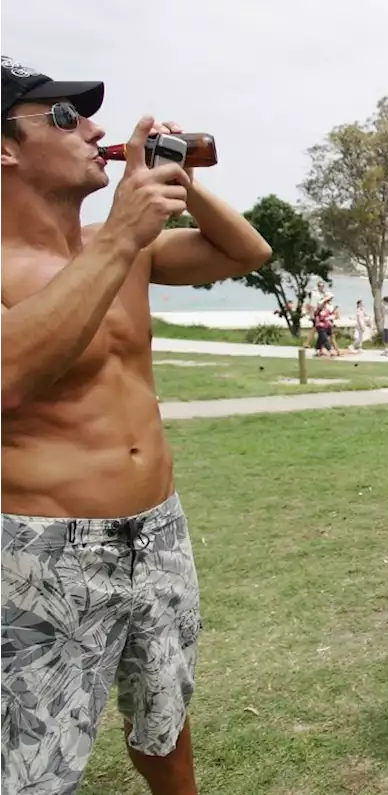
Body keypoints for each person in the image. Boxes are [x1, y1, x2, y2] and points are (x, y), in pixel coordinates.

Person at [0, 58, 272, 795]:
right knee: (30, 753)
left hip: (156, 527)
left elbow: (246, 253)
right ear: (4, 147)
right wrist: (122, 233)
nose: (94, 129)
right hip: (43, 547)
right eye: (63, 117)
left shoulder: (121, 248)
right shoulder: (88, 250)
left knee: (165, 703)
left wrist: (179, 183)